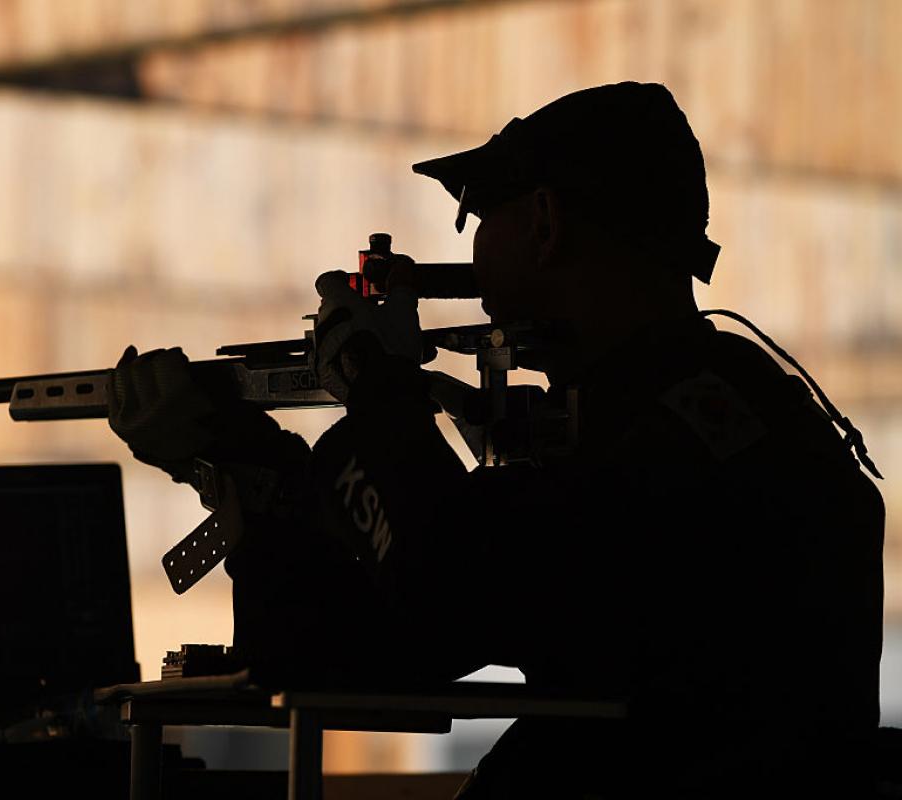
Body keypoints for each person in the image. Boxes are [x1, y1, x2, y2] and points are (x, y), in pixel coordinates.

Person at [106, 82, 884, 797]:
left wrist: (377, 392)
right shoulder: (715, 410)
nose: (476, 255)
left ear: (544, 223)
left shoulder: (664, 439)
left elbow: (443, 588)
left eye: (481, 219)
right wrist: (248, 468)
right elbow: (345, 651)